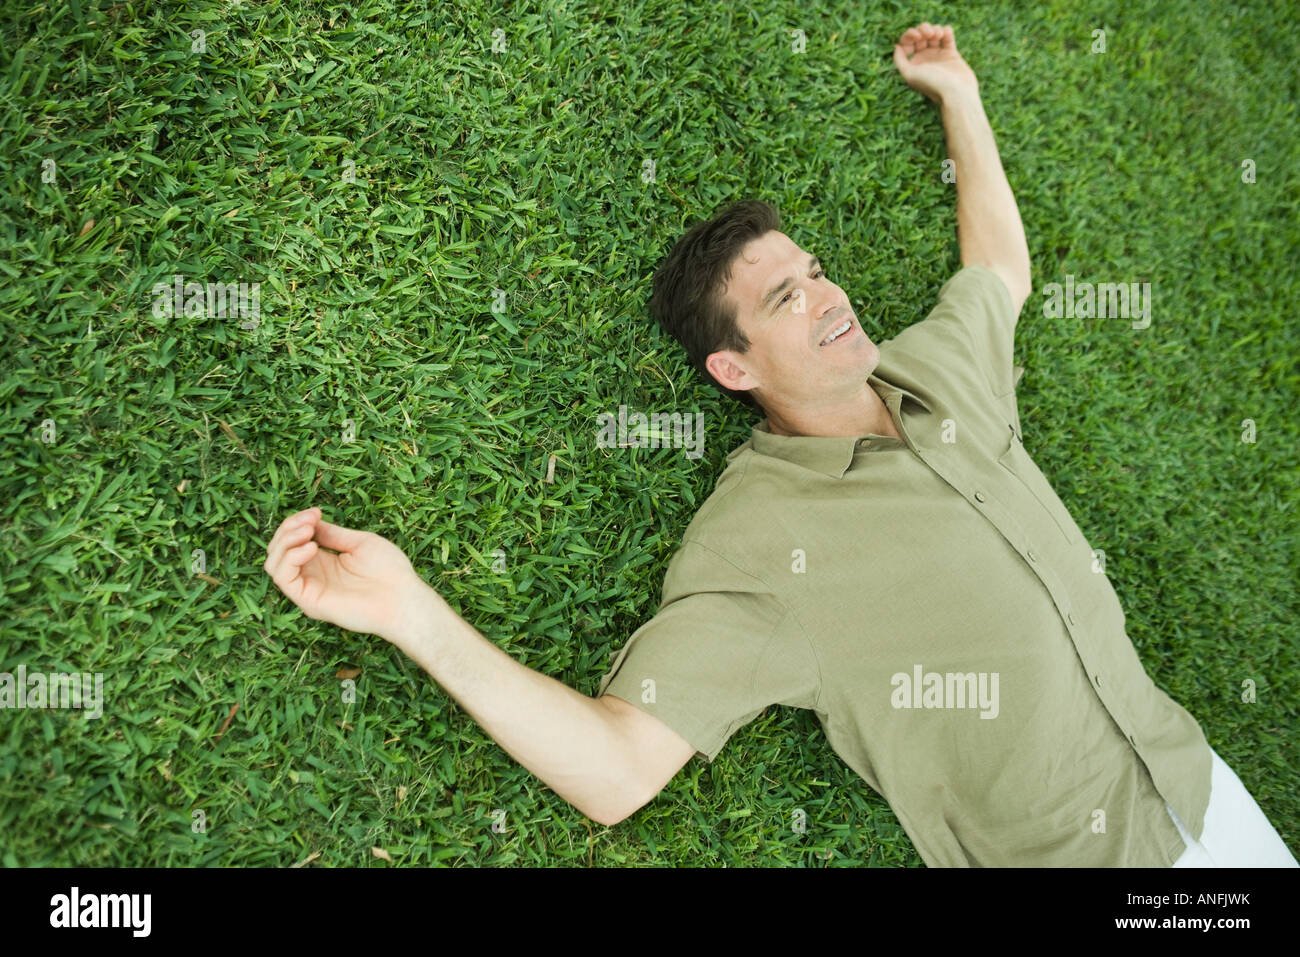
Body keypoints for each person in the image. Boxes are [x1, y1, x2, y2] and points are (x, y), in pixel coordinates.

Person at [263, 23, 1296, 866]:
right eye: (785, 298)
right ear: (735, 369)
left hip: (1203, 791)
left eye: (815, 269)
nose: (829, 296)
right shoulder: (759, 546)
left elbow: (1000, 273)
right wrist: (412, 615)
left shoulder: (939, 372)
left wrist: (960, 99)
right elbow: (617, 772)